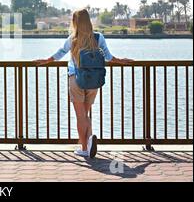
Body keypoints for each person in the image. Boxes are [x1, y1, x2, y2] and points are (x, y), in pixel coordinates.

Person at [35, 9, 133, 158]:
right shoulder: (98, 37)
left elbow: (60, 53)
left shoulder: (73, 38)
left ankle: (84, 147)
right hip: (94, 80)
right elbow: (108, 56)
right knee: (86, 114)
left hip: (76, 79)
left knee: (81, 116)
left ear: (75, 22)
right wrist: (121, 60)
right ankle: (89, 142)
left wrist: (46, 60)